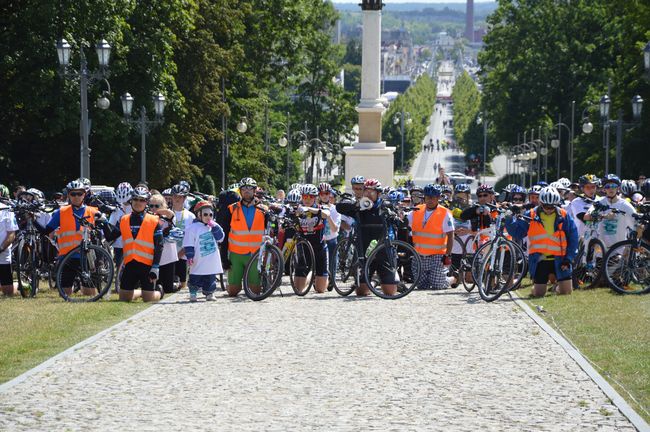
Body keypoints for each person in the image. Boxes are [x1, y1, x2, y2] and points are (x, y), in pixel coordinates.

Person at [506, 187, 579, 297]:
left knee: (566, 292)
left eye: (552, 207)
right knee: (539, 294)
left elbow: (573, 238)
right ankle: (535, 288)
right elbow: (518, 233)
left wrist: (568, 259)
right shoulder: (530, 214)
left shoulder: (564, 215)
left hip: (560, 259)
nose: (549, 209)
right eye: (546, 206)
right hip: (540, 260)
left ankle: (557, 286)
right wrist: (509, 217)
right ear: (541, 203)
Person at [38, 179, 100, 298]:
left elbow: (107, 231)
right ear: (68, 195)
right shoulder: (61, 212)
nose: (76, 197)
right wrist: (33, 220)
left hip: (85, 256)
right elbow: (46, 231)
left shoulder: (93, 211)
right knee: (65, 293)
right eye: (73, 194)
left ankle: (82, 287)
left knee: (90, 293)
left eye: (79, 194)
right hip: (67, 257)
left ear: (84, 194)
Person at [103, 186, 164, 302]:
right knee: (124, 298)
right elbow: (110, 237)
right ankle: (140, 292)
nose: (138, 203)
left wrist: (155, 267)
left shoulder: (154, 220)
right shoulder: (123, 219)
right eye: (135, 199)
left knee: (149, 299)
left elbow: (159, 245)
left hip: (147, 266)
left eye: (142, 200)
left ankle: (159, 292)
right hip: (130, 264)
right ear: (131, 200)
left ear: (146, 202)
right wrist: (104, 222)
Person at [222, 177, 265, 297]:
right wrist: (224, 258)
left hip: (255, 254)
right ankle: (233, 282)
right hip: (236, 255)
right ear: (240, 191)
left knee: (254, 291)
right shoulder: (231, 209)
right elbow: (225, 235)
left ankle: (252, 280)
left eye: (250, 188)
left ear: (254, 191)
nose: (247, 191)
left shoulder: (263, 209)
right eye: (244, 188)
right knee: (233, 292)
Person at [408, 184, 455, 290]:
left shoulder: (445, 213)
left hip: (437, 256)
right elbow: (405, 223)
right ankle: (434, 276)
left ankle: (453, 278)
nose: (430, 200)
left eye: (433, 197)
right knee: (421, 286)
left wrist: (448, 255)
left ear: (438, 198)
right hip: (419, 255)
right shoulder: (416, 210)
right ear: (424, 197)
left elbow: (451, 235)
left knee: (437, 285)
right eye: (428, 197)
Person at [357, 178, 397, 296]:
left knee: (390, 292)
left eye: (372, 192)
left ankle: (378, 281)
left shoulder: (385, 205)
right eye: (366, 191)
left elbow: (397, 222)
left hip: (382, 251)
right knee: (361, 292)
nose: (368, 194)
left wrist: (394, 216)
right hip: (365, 251)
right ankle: (372, 282)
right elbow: (340, 208)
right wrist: (355, 206)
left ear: (378, 193)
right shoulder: (360, 205)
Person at [183, 201, 225, 302]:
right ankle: (193, 292)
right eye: (205, 214)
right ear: (199, 214)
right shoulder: (192, 228)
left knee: (210, 277)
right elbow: (188, 243)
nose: (208, 217)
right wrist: (189, 256)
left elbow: (221, 238)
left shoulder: (214, 226)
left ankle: (209, 293)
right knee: (195, 277)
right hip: (198, 259)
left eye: (210, 214)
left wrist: (215, 227)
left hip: (211, 260)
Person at [293, 184, 331, 294]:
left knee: (320, 289)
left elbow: (326, 214)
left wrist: (309, 209)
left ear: (315, 198)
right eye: (305, 197)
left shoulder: (320, 207)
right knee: (298, 289)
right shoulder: (298, 209)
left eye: (310, 197)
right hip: (303, 247)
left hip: (319, 247)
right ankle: (311, 275)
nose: (307, 199)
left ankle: (322, 276)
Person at [588, 174, 636, 249]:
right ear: (604, 189)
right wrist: (604, 216)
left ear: (618, 188)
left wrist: (629, 249)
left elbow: (636, 225)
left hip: (619, 250)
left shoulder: (625, 205)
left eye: (613, 186)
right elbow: (587, 216)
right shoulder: (599, 202)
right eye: (607, 186)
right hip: (600, 251)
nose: (611, 189)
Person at [149, 192, 179, 294]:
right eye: (151, 205)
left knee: (168, 289)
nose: (153, 208)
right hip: (155, 255)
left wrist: (157, 211)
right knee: (156, 284)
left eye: (156, 205)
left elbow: (171, 214)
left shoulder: (167, 217)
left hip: (168, 256)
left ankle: (176, 282)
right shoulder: (148, 218)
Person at [170, 183, 195, 290]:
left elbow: (192, 237)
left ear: (185, 198)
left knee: (182, 285)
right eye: (175, 196)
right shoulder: (167, 213)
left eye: (180, 197)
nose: (177, 199)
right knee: (169, 284)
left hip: (183, 255)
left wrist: (182, 252)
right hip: (168, 255)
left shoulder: (190, 216)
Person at [318, 183, 340, 290]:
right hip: (320, 239)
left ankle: (332, 281)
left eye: (326, 193)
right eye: (322, 194)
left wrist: (328, 215)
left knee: (332, 262)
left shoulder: (335, 209)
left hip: (331, 239)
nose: (324, 196)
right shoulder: (316, 208)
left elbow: (335, 228)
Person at [0, 200, 18, 296]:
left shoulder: (7, 210)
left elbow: (11, 234)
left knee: (7, 291)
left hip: (2, 253)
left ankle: (19, 285)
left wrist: (2, 248)